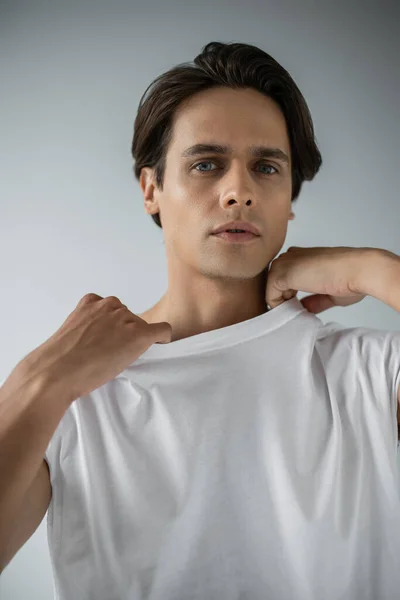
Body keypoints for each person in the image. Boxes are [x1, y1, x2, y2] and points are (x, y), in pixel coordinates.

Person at [1, 41, 400, 600]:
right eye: (206, 164)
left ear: (289, 200)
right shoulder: (75, 396)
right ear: (151, 189)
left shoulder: (369, 374)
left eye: (266, 167)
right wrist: (41, 381)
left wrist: (375, 270)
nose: (238, 191)